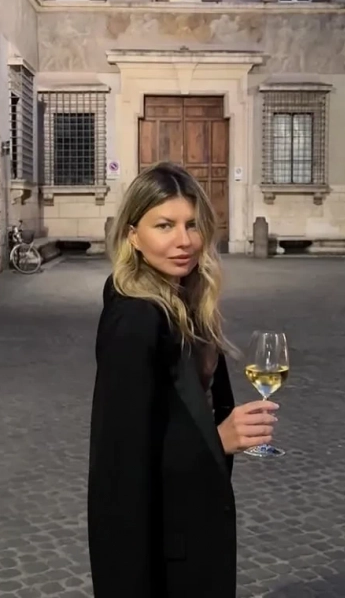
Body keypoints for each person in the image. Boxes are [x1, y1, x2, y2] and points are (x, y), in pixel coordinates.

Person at [87, 162, 277, 598]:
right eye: (164, 225)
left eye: (192, 225)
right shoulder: (135, 320)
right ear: (133, 235)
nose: (184, 240)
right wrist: (217, 440)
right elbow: (122, 459)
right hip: (163, 549)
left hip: (190, 526)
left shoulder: (183, 300)